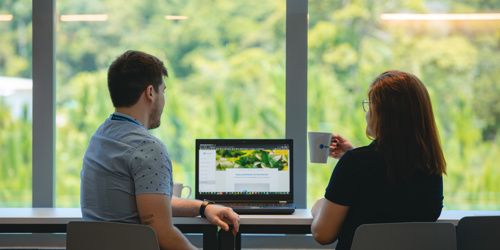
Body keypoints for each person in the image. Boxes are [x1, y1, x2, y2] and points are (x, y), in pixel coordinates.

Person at [81, 50, 239, 250]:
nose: (163, 98)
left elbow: (151, 203)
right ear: (150, 93)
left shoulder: (100, 138)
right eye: (162, 91)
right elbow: (163, 235)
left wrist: (203, 207)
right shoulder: (147, 147)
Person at [310, 70, 447, 249]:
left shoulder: (355, 163)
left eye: (370, 105)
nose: (367, 113)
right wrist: (353, 156)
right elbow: (391, 196)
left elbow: (323, 234)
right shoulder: (431, 168)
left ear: (383, 114)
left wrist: (319, 207)